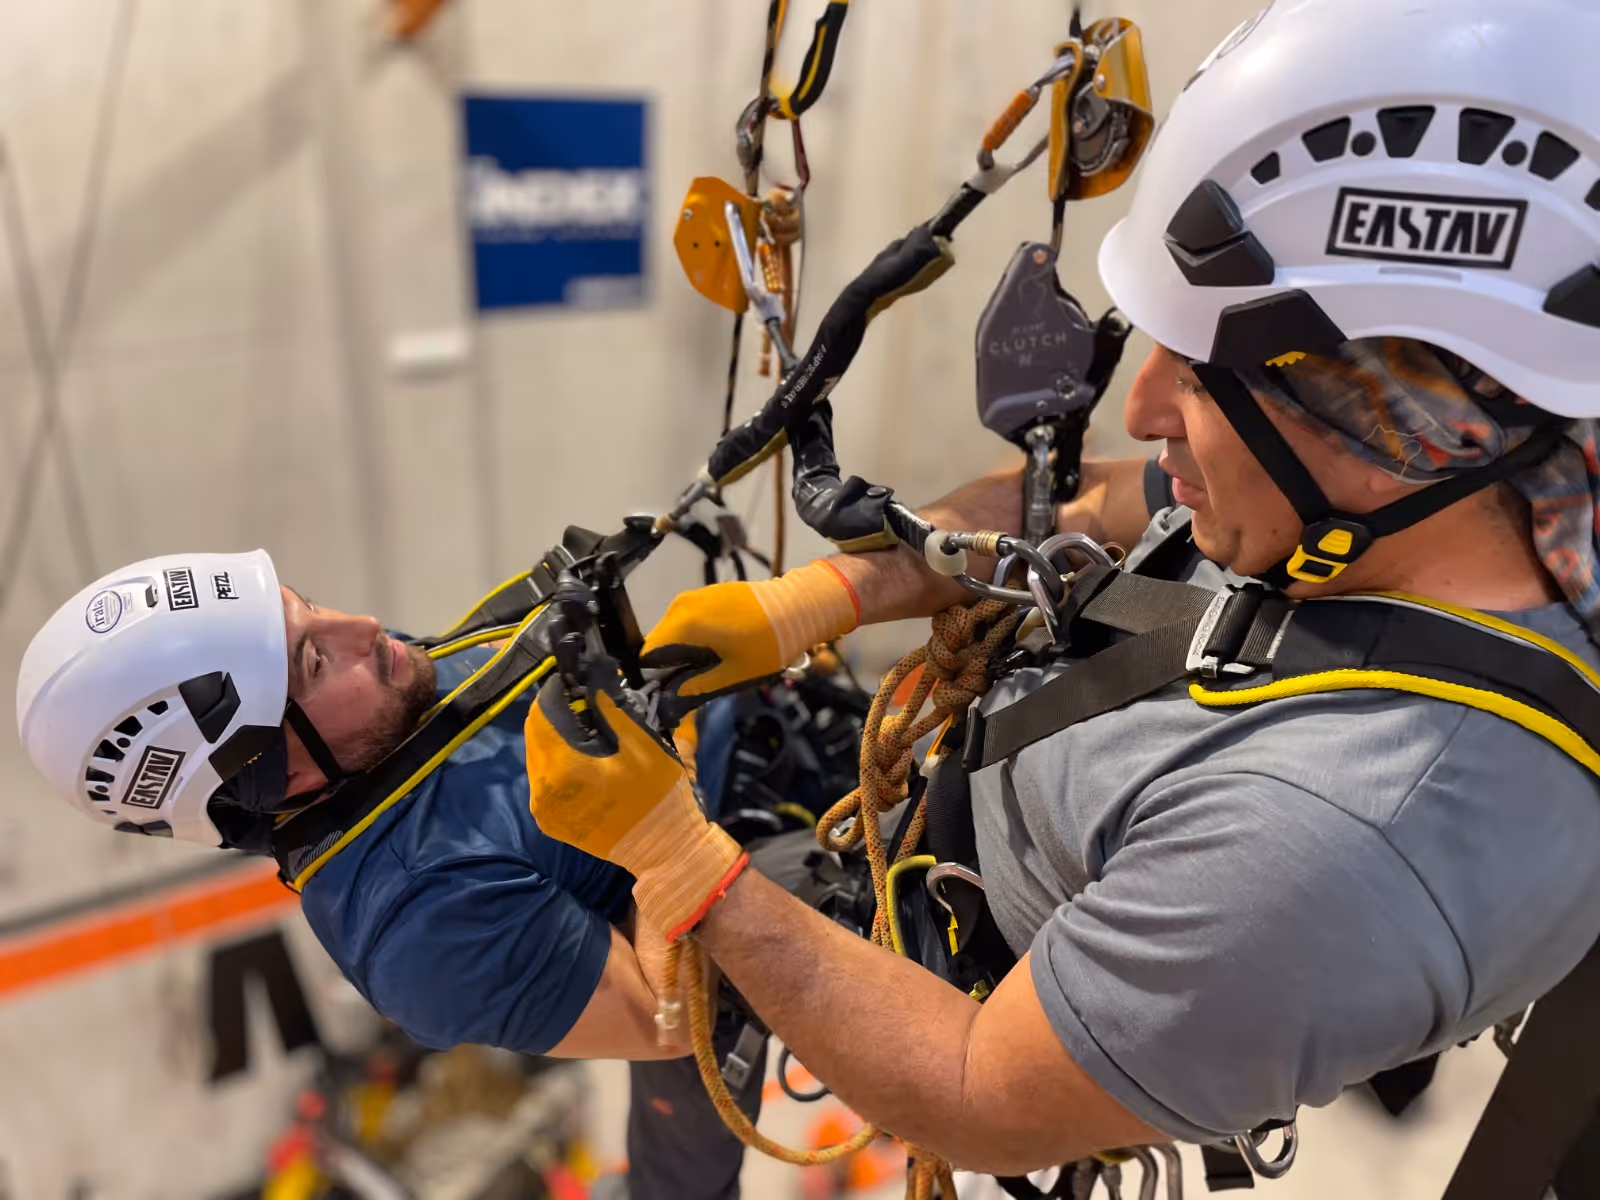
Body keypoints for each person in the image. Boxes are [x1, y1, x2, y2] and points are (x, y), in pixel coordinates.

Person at [522, 0, 1600, 1178]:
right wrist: (822, 597)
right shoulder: (1441, 486)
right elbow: (1082, 506)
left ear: (1384, 413)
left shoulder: (1337, 848)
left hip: (962, 996)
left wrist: (685, 870)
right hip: (940, 830)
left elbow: (980, 1093)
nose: (1138, 412)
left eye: (1194, 378)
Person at [13, 545, 856, 1200]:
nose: (364, 626)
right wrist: (663, 816)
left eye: (309, 610)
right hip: (767, 864)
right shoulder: (417, 924)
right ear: (277, 776)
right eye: (311, 660)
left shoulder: (372, 707)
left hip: (788, 736)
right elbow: (669, 1021)